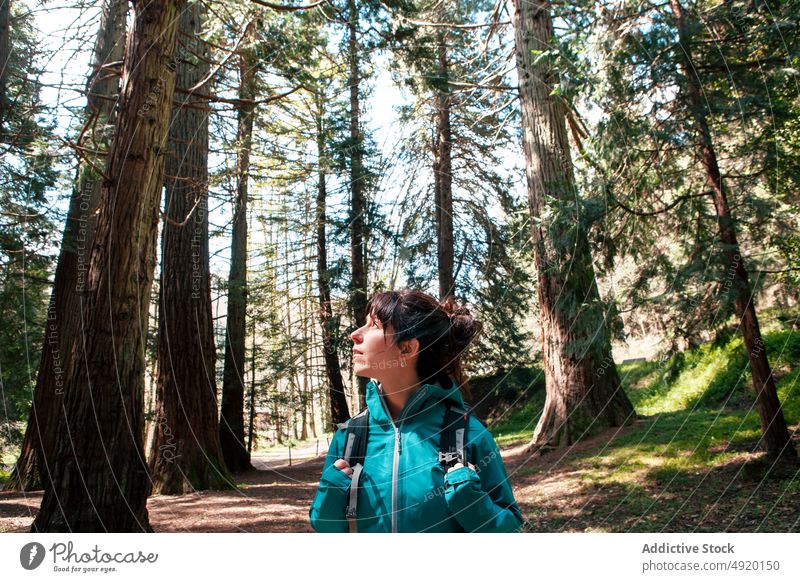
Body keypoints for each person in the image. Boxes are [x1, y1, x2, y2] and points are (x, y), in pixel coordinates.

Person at [308, 289, 523, 533]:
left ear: (407, 349)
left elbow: (511, 529)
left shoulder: (467, 434)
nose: (355, 335)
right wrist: (330, 496)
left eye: (374, 325)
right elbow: (326, 528)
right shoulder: (350, 437)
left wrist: (471, 503)